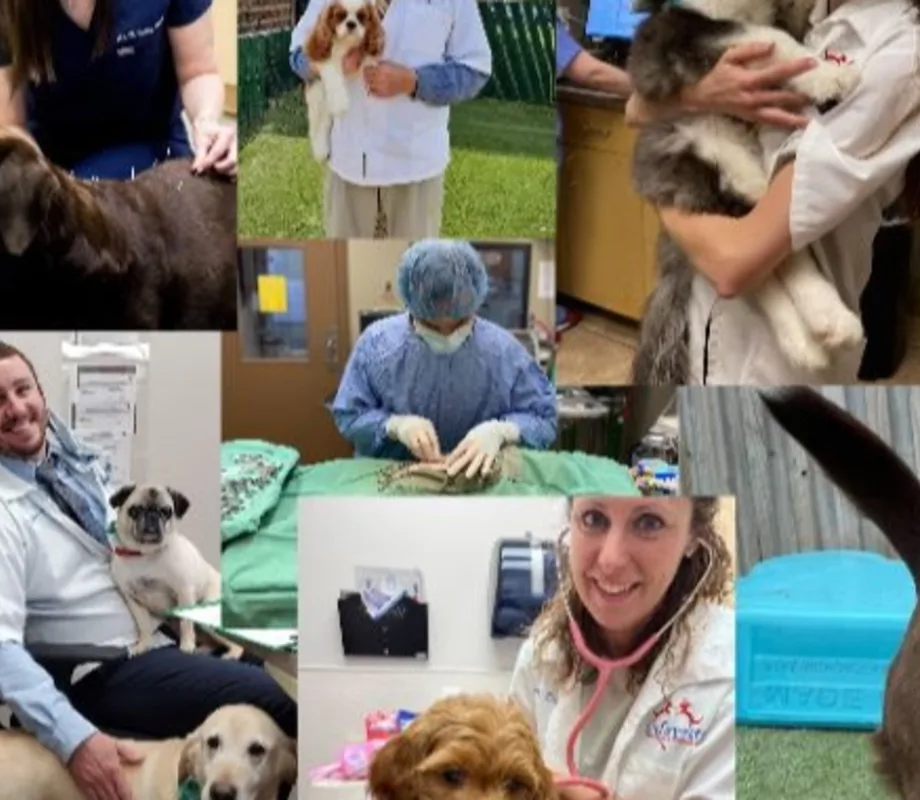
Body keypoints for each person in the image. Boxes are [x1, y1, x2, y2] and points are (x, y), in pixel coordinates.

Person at [0, 341, 296, 800]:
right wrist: (76, 741)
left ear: (40, 391)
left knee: (291, 667)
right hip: (103, 670)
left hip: (161, 633)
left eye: (22, 389)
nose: (15, 407)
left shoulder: (75, 465)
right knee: (272, 700)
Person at [628, 0, 920, 385]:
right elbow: (636, 107)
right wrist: (696, 97)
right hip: (705, 325)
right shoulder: (813, 16)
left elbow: (734, 262)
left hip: (778, 364)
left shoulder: (900, 56)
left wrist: (659, 192)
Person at [510, 496, 733, 800]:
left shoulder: (730, 678)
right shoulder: (539, 656)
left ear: (693, 537)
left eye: (649, 523)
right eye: (593, 519)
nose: (610, 560)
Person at [329, 240, 558, 477]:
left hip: (477, 483)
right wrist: (393, 426)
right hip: (392, 482)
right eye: (430, 325)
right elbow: (350, 414)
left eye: (459, 322)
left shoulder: (505, 352)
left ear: (474, 304)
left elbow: (543, 418)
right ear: (412, 306)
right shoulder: (376, 345)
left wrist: (503, 431)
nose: (446, 335)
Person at [287, 0, 493, 239]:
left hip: (416, 173)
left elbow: (475, 70)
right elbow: (297, 57)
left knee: (414, 270)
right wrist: (329, 64)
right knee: (350, 270)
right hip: (348, 167)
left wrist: (414, 81)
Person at [0, 0, 237, 179]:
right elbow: (8, 129)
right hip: (52, 165)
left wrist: (206, 122)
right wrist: (42, 186)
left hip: (153, 147)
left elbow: (198, 72)